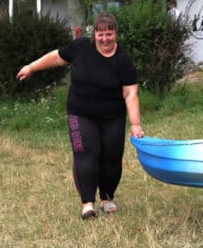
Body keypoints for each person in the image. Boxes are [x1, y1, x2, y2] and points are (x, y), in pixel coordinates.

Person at [16, 12, 144, 220]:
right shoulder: (81, 47)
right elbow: (56, 58)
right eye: (100, 34)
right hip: (80, 113)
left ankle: (107, 198)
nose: (104, 39)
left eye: (109, 34)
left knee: (111, 157)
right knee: (85, 153)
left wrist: (135, 124)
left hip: (113, 116)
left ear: (115, 34)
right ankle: (87, 204)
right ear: (94, 34)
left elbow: (130, 93)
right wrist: (31, 67)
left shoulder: (124, 60)